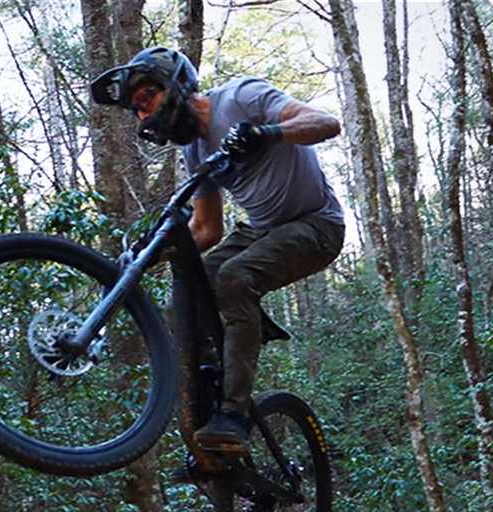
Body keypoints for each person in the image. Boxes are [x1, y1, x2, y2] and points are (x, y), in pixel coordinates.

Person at [91, 47, 346, 454]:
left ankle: (234, 412)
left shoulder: (240, 97)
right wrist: (148, 256)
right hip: (263, 231)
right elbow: (207, 229)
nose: (144, 115)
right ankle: (213, 390)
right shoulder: (195, 150)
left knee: (233, 277)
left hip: (318, 224)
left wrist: (266, 132)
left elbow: (326, 123)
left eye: (146, 100)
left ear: (173, 84)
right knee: (197, 280)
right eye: (136, 111)